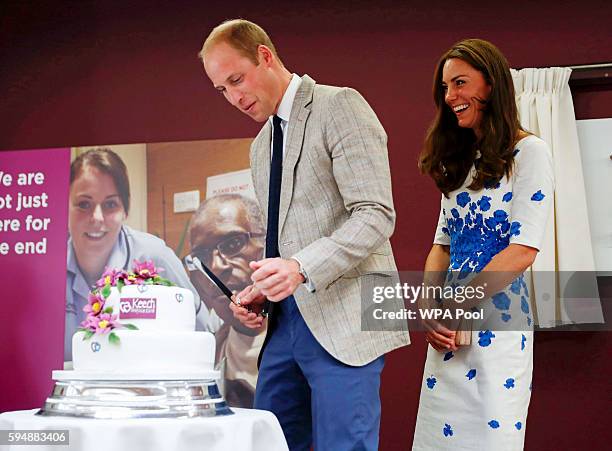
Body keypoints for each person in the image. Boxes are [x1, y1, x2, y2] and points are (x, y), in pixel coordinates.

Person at [199, 19, 410, 451]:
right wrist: (263, 289)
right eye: (222, 90)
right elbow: (289, 239)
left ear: (265, 56)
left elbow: (375, 214)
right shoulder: (260, 146)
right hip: (284, 325)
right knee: (270, 443)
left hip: (347, 316)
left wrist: (300, 267)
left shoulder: (340, 105)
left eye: (237, 80)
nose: (235, 97)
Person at [412, 39, 554, 450]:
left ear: (491, 85)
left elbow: (523, 249)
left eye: (460, 83)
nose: (450, 96)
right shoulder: (459, 160)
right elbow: (442, 243)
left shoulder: (530, 153)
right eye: (445, 87)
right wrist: (428, 306)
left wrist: (455, 306)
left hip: (498, 325)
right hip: (448, 331)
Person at [65, 148, 209, 361]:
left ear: (125, 210)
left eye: (110, 204)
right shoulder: (46, 267)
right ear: (64, 207)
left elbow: (199, 329)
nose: (97, 217)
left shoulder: (153, 256)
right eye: (84, 204)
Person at [185, 193, 267, 407]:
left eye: (232, 244)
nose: (216, 267)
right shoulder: (205, 357)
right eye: (201, 257)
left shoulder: (315, 335)